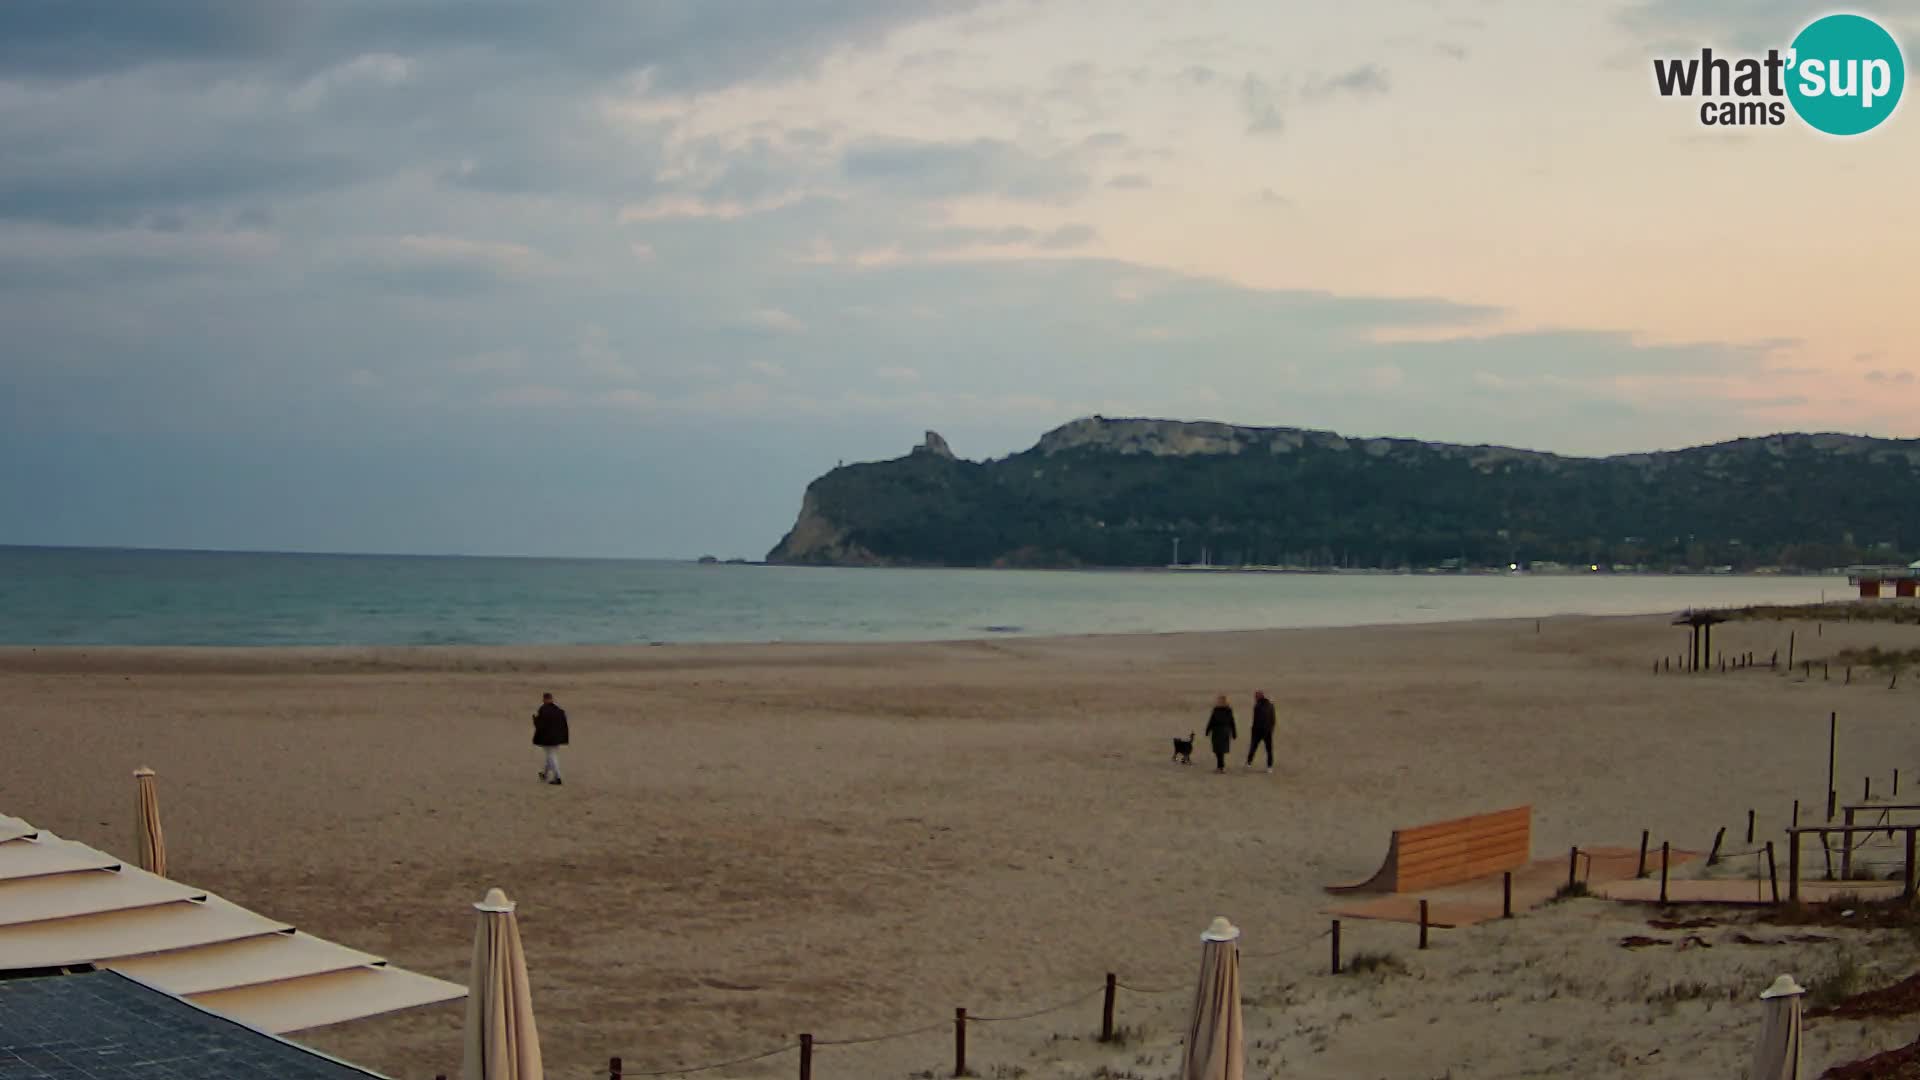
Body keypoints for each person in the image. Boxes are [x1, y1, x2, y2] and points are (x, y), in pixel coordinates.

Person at [532, 692, 569, 786]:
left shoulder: (543, 709)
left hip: (547, 738)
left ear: (545, 699)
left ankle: (558, 777)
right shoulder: (558, 709)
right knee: (550, 755)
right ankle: (545, 774)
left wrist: (535, 720)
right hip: (558, 737)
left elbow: (540, 725)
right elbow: (564, 723)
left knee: (551, 756)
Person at [1204, 694, 1236, 773]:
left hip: (1222, 732)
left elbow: (1231, 722)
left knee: (1220, 751)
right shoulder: (1217, 709)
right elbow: (1212, 721)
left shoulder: (1227, 710)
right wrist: (1208, 730)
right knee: (1218, 750)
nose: (1219, 701)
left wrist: (1234, 733)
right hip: (1218, 731)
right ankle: (1220, 767)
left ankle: (1220, 767)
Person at [1246, 690, 1276, 773]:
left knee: (1253, 747)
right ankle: (1269, 767)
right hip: (1268, 730)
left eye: (1255, 697)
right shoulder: (1271, 705)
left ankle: (1249, 763)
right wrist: (1271, 729)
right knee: (1269, 750)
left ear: (1257, 698)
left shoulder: (1257, 706)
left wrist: (1253, 731)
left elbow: (1255, 721)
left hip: (1258, 731)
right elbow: (1273, 719)